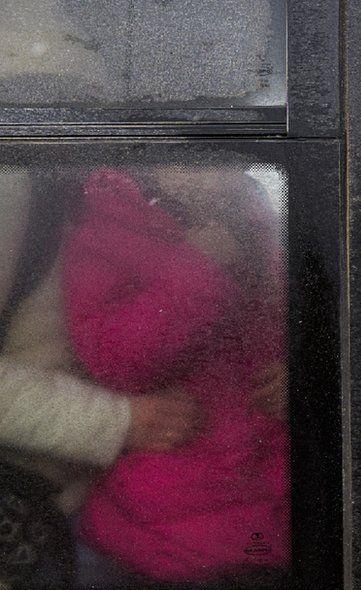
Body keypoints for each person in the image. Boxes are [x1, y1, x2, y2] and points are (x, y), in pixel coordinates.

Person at [61, 167, 288, 582]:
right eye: (185, 161)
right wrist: (200, 269)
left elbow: (289, 320)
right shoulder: (108, 228)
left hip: (271, 499)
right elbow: (117, 363)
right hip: (169, 519)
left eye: (228, 160)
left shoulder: (257, 218)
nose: (213, 175)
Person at [0, 168, 204, 587]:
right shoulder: (18, 182)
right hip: (26, 517)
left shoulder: (153, 188)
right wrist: (119, 421)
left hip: (119, 499)